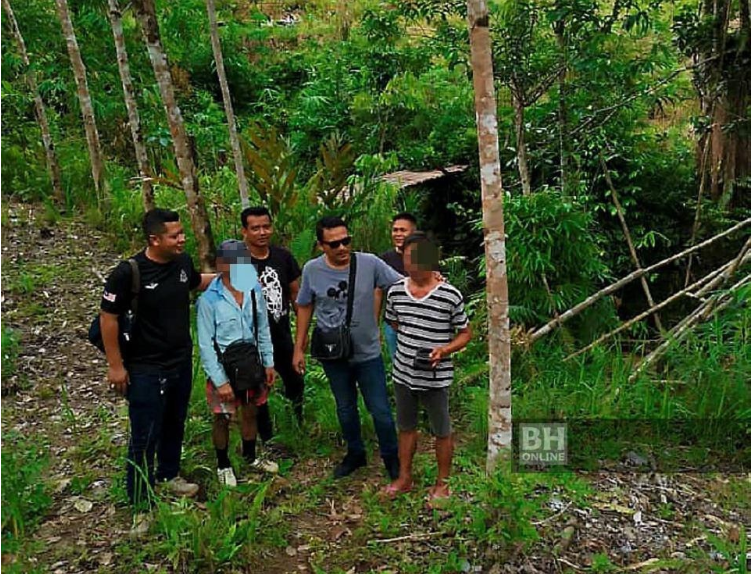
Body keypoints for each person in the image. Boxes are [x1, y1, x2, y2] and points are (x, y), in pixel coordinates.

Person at [100, 208, 214, 534]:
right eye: (175, 236)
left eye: (181, 234)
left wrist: (231, 277)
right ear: (155, 239)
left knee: (174, 422)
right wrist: (115, 365)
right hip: (144, 366)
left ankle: (168, 474)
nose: (182, 239)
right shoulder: (128, 273)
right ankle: (140, 503)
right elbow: (108, 317)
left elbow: (195, 283)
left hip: (179, 359)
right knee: (144, 434)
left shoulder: (182, 263)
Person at [293, 216, 402, 480]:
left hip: (367, 351)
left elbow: (402, 284)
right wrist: (299, 346)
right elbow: (305, 305)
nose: (342, 248)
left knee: (381, 410)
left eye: (346, 241)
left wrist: (431, 278)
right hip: (333, 352)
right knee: (345, 407)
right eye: (334, 244)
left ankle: (392, 458)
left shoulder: (370, 263)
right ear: (321, 246)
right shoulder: (312, 270)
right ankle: (355, 453)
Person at [381, 232, 472, 506]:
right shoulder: (396, 291)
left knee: (441, 430)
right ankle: (404, 477)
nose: (414, 264)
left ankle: (443, 483)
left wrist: (443, 350)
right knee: (406, 427)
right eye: (409, 258)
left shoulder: (449, 295)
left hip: (436, 376)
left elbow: (465, 332)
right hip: (404, 373)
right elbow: (394, 323)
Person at [197, 240, 278, 488]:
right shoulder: (209, 300)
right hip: (224, 365)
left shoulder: (253, 290)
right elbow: (205, 345)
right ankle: (223, 464)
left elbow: (262, 328)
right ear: (221, 265)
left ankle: (251, 455)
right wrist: (220, 381)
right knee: (222, 416)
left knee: (251, 410)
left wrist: (268, 363)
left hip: (251, 363)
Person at [239, 207, 304, 443]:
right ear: (244, 231)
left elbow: (296, 294)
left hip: (281, 332)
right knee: (258, 389)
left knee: (295, 380)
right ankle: (266, 437)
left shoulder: (283, 257)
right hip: (250, 339)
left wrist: (301, 334)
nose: (262, 232)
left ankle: (297, 423)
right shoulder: (238, 260)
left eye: (266, 226)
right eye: (255, 228)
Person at [375, 213, 418, 359]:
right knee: (398, 363)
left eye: (403, 230)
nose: (398, 234)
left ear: (413, 233)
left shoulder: (424, 257)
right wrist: (376, 326)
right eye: (395, 230)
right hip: (392, 323)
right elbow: (378, 292)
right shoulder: (384, 260)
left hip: (419, 323)